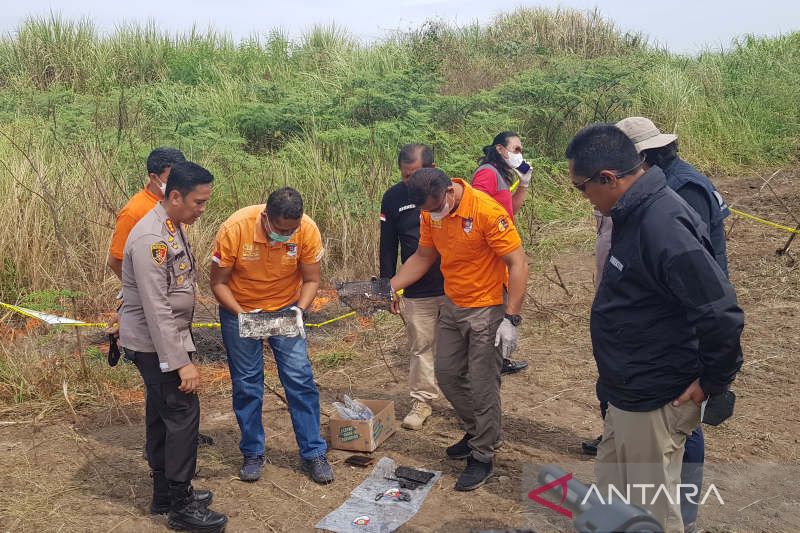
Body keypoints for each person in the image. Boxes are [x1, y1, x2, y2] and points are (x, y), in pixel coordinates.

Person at [566, 124, 744, 532]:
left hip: (654, 394)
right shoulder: (632, 212)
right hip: (626, 390)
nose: (584, 198)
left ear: (608, 178)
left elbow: (721, 313)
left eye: (582, 188)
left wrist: (713, 381)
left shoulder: (661, 223)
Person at [389, 168, 529, 491]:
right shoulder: (430, 214)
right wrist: (391, 287)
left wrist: (512, 318)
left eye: (435, 206)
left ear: (449, 191)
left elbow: (518, 262)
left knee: (482, 384)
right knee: (448, 374)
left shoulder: (486, 212)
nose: (432, 214)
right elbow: (424, 255)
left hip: (489, 306)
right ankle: (479, 430)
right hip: (454, 304)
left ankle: (483, 454)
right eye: (426, 211)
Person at [119, 161, 227, 532]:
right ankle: (181, 506)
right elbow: (156, 308)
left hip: (163, 340)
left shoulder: (170, 225)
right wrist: (181, 363)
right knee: (182, 416)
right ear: (175, 195)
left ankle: (165, 491)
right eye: (198, 202)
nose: (202, 209)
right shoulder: (152, 239)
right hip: (157, 344)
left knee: (162, 412)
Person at [210, 187, 333, 485]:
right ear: (266, 217)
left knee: (300, 379)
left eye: (291, 230)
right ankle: (253, 452)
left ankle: (313, 452)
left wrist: (298, 312)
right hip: (241, 309)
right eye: (280, 230)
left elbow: (312, 279)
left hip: (285, 310)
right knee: (247, 384)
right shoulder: (234, 229)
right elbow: (218, 283)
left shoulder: (307, 230)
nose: (286, 236)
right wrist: (243, 315)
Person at [106, 147, 214, 448]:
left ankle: (169, 466)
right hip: (154, 328)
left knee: (165, 406)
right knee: (177, 405)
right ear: (158, 180)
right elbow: (119, 262)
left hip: (168, 324)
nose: (202, 208)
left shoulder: (173, 215)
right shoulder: (140, 215)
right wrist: (135, 295)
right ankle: (175, 482)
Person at [379, 143, 445, 430]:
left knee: (461, 349)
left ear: (432, 169)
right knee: (421, 346)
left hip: (456, 284)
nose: (410, 182)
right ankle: (422, 401)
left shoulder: (449, 194)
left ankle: (468, 403)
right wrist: (387, 285)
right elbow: (387, 245)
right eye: (405, 176)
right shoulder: (393, 197)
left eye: (415, 174)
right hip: (416, 285)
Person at [471, 131, 531, 375]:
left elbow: (508, 211)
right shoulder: (486, 174)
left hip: (502, 250)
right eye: (516, 149)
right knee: (496, 305)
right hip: (492, 253)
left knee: (503, 299)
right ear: (500, 149)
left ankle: (500, 359)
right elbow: (478, 213)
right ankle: (491, 362)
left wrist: (524, 185)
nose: (520, 155)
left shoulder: (499, 176)